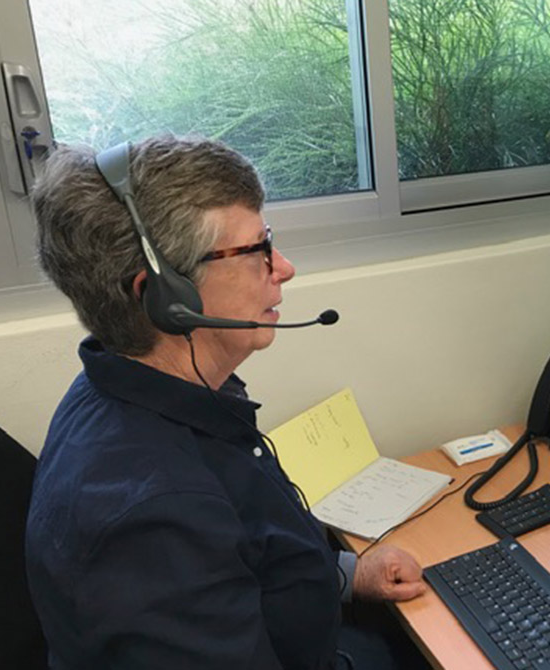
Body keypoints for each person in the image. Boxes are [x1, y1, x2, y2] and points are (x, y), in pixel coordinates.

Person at [25, 135, 428, 670]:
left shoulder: (137, 386)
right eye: (256, 249)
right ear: (167, 299)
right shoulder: (154, 520)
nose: (283, 267)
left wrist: (348, 575)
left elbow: (256, 549)